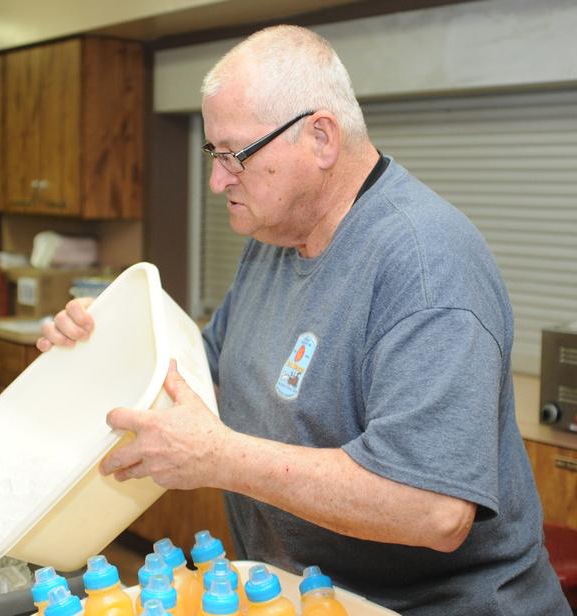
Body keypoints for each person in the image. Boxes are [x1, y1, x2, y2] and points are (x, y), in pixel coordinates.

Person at [37, 25, 571, 615]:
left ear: (320, 137)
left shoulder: (425, 264)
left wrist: (219, 457)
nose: (217, 181)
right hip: (304, 597)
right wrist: (98, 351)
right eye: (213, 156)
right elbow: (202, 377)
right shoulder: (272, 237)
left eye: (235, 156)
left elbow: (434, 509)